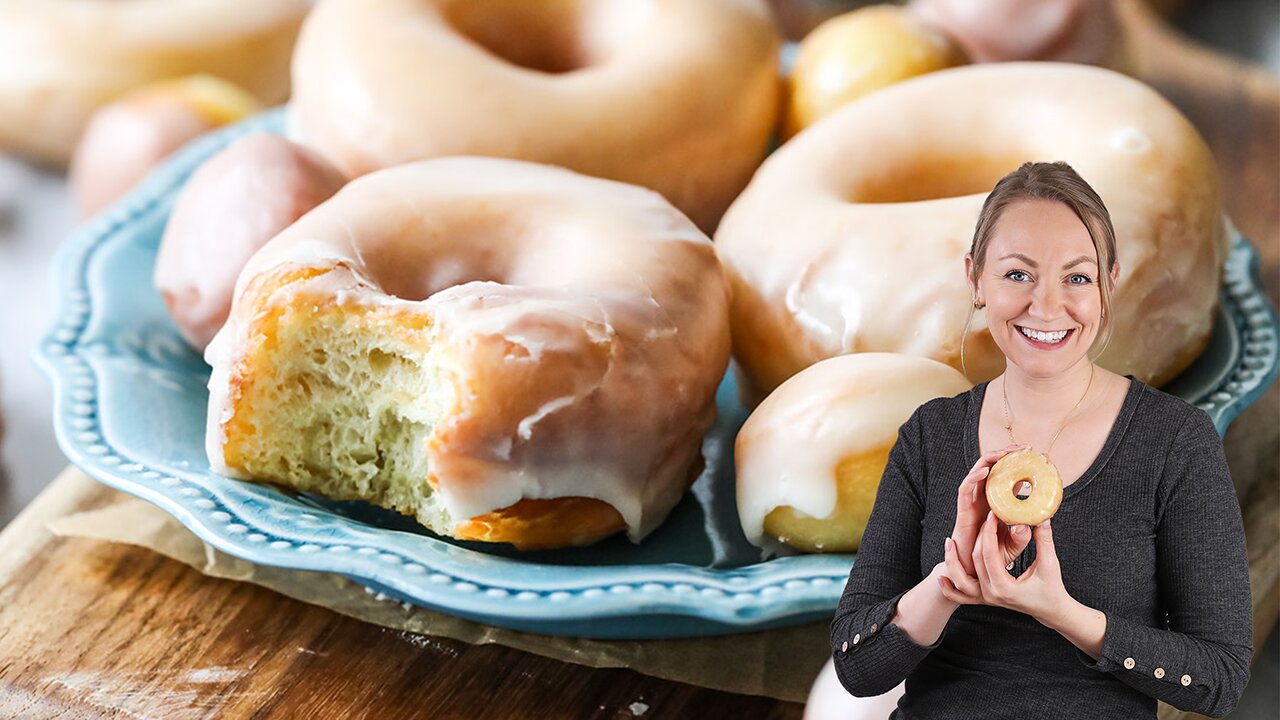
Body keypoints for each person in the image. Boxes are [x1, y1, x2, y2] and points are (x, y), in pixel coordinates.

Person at [828, 161, 1253, 718]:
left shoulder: (1174, 440)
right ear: (976, 279)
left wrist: (1064, 613)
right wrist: (947, 586)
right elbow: (856, 668)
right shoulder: (930, 436)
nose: (1047, 306)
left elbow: (1219, 679)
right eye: (1017, 274)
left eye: (1077, 277)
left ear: (1109, 284)